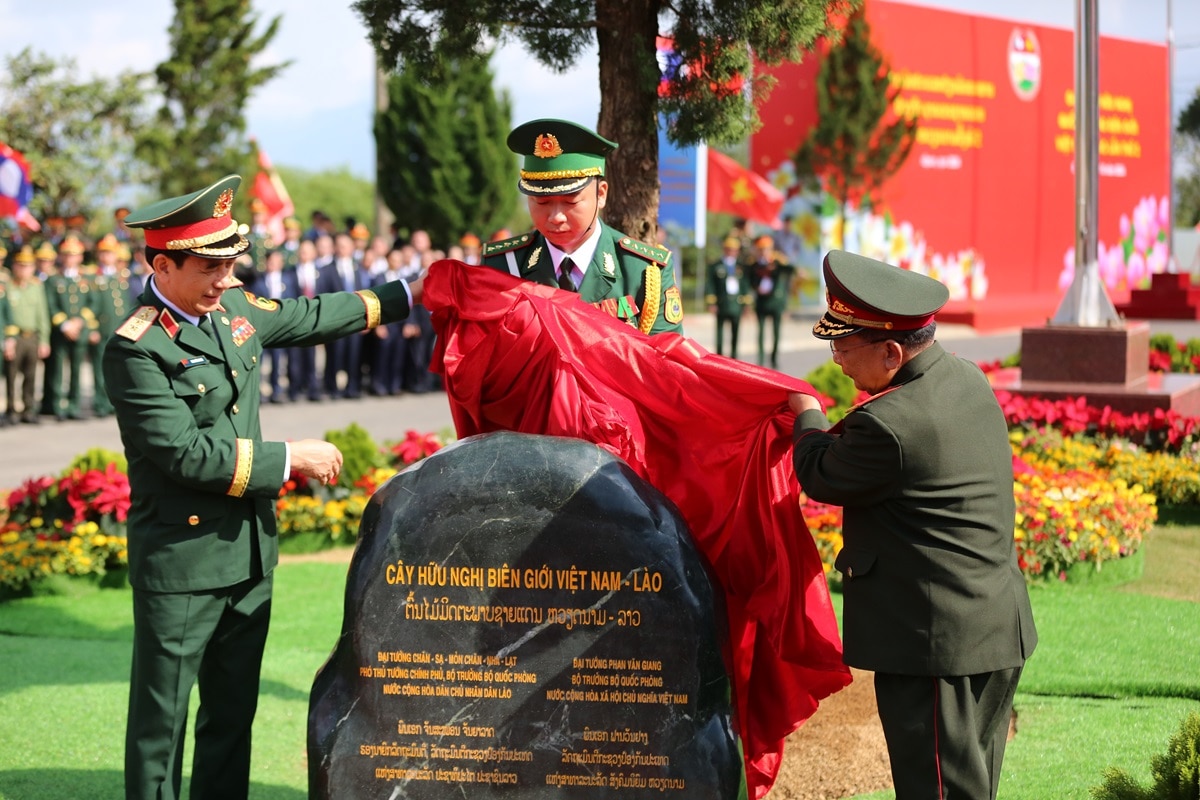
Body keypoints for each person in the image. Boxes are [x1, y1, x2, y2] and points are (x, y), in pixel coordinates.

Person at [102, 174, 423, 800]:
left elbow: (310, 315)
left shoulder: (230, 307)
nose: (226, 280)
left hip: (249, 556)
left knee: (231, 718)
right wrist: (289, 457)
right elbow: (186, 455)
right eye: (210, 269)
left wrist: (409, 293)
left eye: (231, 265)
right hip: (183, 562)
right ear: (162, 266)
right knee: (160, 727)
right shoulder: (135, 350)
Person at [788, 250, 1037, 800]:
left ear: (893, 351)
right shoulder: (965, 378)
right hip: (993, 630)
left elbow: (819, 472)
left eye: (842, 347)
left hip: (936, 646)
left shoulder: (890, 424)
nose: (836, 360)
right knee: (970, 788)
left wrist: (803, 409)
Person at [481, 118, 683, 335]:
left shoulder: (643, 271)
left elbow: (666, 363)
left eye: (570, 201)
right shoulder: (504, 266)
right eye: (541, 201)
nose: (556, 217)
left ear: (601, 194)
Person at [3, 246, 51, 426]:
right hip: (14, 337)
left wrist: (44, 340)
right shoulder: (6, 286)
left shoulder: (36, 287)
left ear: (33, 268)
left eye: (28, 265)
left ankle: (28, 409)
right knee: (11, 375)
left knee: (31, 375)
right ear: (14, 266)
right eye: (20, 265)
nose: (24, 269)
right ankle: (11, 410)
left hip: (32, 337)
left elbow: (42, 315)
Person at [747, 234, 794, 369]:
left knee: (776, 332)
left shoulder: (777, 263)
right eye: (761, 249)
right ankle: (761, 358)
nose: (764, 252)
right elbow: (749, 279)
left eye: (766, 249)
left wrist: (781, 259)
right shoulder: (754, 265)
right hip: (762, 302)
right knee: (760, 332)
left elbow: (790, 270)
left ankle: (774, 358)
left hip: (776, 302)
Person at [705, 236, 751, 359]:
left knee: (735, 331)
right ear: (724, 249)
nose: (731, 252)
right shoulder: (716, 265)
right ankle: (719, 356)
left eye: (734, 250)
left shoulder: (741, 266)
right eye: (728, 249)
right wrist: (711, 303)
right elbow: (710, 285)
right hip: (722, 302)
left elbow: (745, 285)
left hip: (736, 303)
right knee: (720, 332)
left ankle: (734, 356)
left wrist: (746, 304)